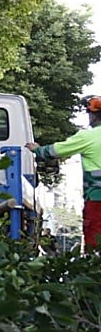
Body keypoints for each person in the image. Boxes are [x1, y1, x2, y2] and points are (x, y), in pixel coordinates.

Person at [27, 95, 101, 251]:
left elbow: (56, 151)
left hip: (97, 200)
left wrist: (38, 149)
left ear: (93, 115)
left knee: (96, 246)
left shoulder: (88, 137)